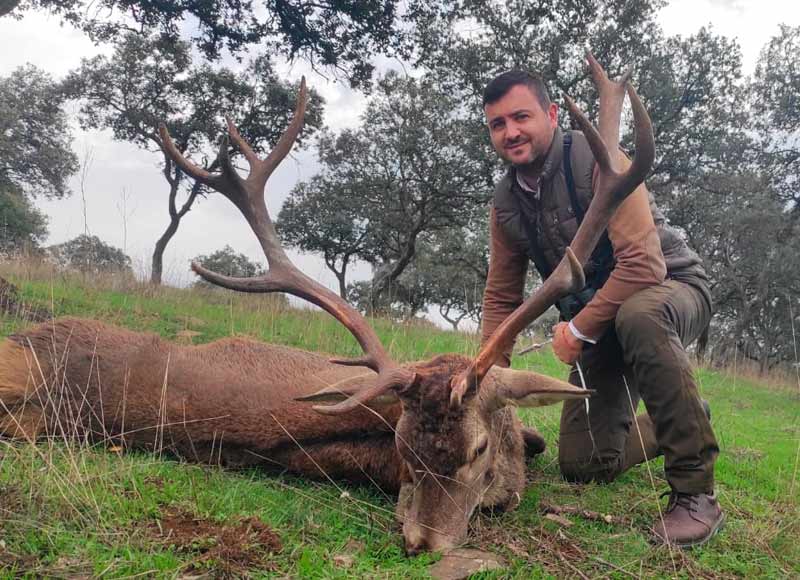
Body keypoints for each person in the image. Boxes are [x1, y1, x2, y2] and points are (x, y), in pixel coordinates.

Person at [479, 69, 724, 547]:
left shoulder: (598, 159)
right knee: (583, 464)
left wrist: (578, 330)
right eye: (498, 124)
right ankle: (683, 420)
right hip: (602, 321)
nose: (510, 132)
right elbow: (501, 298)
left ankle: (696, 497)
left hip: (671, 286)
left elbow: (644, 266)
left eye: (521, 116)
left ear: (551, 115)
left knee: (641, 314)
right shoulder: (506, 201)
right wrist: (485, 380)